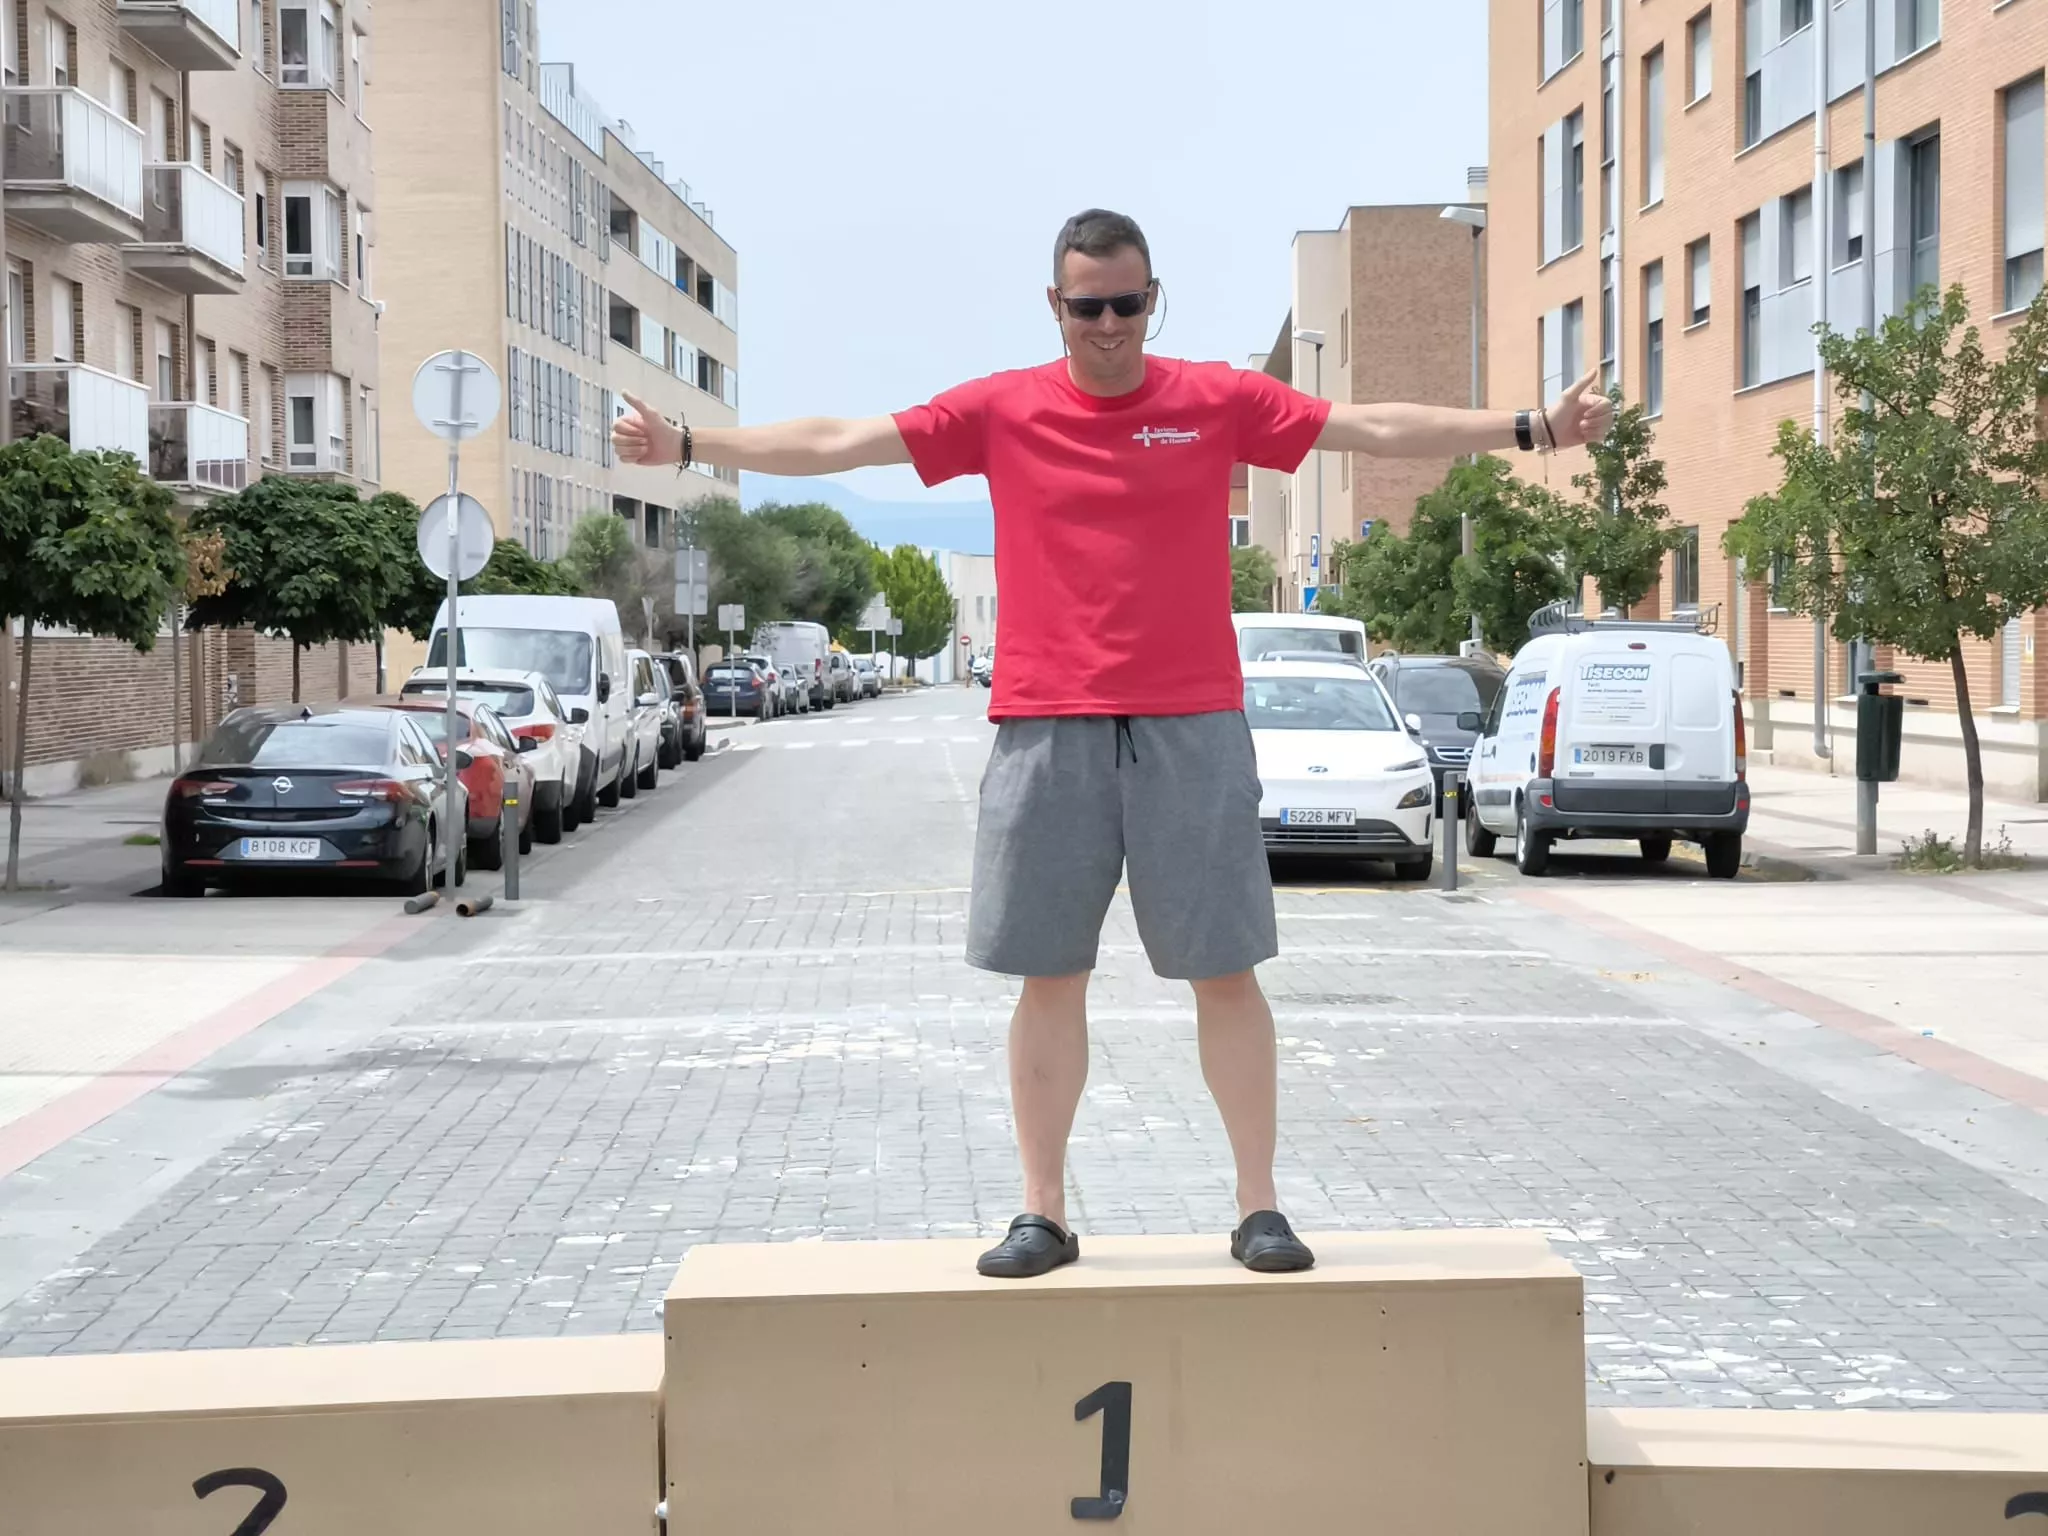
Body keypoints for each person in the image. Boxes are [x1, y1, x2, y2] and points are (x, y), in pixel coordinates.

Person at [614, 208, 1614, 1279]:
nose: (1106, 324)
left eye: (1126, 304)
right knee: (1048, 976)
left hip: (1191, 724)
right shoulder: (999, 409)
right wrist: (689, 445)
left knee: (1224, 973)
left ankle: (1258, 1208)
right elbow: (838, 442)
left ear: (1151, 300)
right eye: (1086, 305)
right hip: (1047, 727)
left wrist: (1530, 430)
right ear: (1055, 305)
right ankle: (1040, 1212)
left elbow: (1366, 428)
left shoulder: (1211, 400)